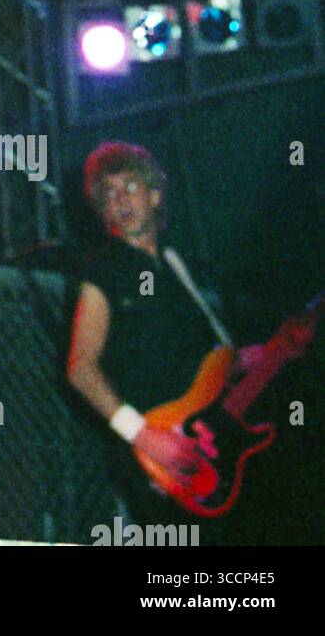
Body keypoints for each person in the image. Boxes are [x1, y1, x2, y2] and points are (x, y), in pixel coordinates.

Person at [65, 141, 256, 539]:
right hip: (156, 454)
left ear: (154, 195)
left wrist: (267, 352)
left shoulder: (177, 264)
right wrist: (142, 434)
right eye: (109, 194)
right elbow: (80, 367)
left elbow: (221, 360)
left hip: (209, 445)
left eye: (130, 187)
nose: (120, 200)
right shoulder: (104, 270)